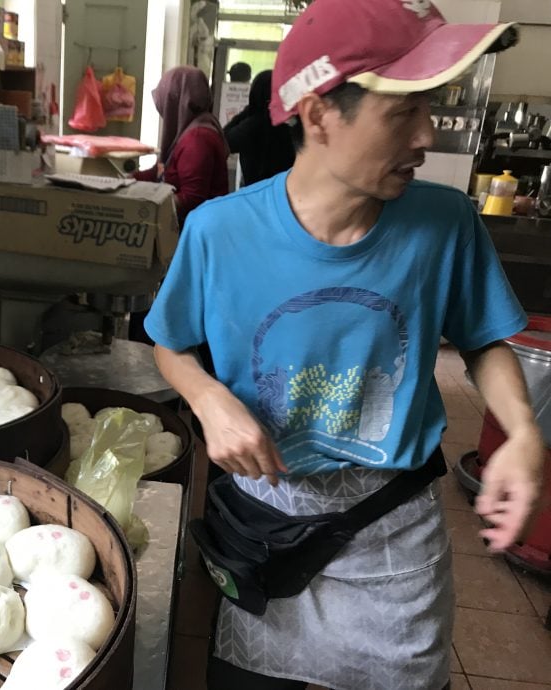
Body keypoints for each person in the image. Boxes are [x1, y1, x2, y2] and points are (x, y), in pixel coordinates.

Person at [144, 1, 543, 689]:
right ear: (319, 113)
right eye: (402, 113)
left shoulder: (444, 223)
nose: (426, 136)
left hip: (392, 538)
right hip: (265, 527)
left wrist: (525, 433)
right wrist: (208, 398)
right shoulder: (219, 232)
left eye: (432, 108)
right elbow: (170, 345)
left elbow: (481, 340)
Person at [134, 65, 229, 231]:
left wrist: (144, 201)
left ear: (175, 101)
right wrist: (123, 181)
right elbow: (161, 172)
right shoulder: (193, 129)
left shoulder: (197, 139)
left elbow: (192, 199)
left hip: (194, 233)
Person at [224, 70, 295, 187]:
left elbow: (226, 140)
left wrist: (249, 110)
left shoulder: (253, 124)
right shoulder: (287, 121)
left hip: (255, 192)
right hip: (283, 191)